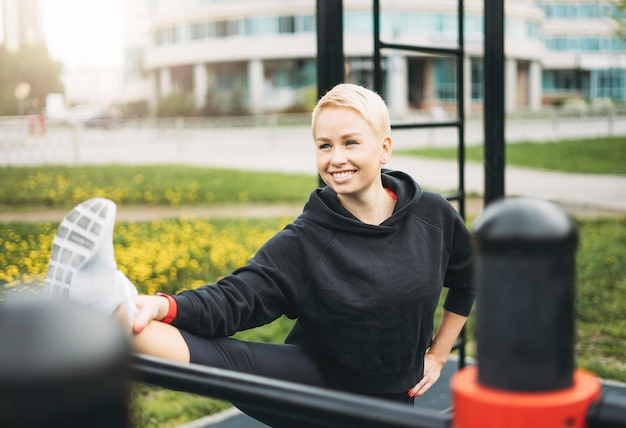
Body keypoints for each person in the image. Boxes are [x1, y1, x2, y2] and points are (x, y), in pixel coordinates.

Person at [43, 83, 475, 427]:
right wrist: (163, 304)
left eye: (350, 142)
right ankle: (111, 311)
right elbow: (238, 296)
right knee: (225, 361)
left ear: (384, 148)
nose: (336, 158)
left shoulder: (431, 215)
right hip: (315, 380)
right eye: (324, 145)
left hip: (391, 399)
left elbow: (467, 276)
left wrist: (438, 354)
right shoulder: (308, 238)